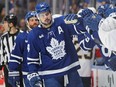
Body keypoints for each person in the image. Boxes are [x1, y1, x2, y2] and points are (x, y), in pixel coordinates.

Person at [27, 2, 84, 87]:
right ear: (38, 17)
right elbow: (32, 59)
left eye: (47, 14)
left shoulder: (62, 22)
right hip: (50, 73)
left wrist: (79, 22)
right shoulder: (34, 35)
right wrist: (33, 73)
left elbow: (81, 30)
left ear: (50, 13)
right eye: (42, 15)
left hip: (70, 68)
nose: (45, 17)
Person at [8, 11, 39, 87]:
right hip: (28, 74)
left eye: (36, 20)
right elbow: (15, 57)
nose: (35, 22)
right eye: (32, 20)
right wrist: (13, 74)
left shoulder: (45, 35)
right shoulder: (22, 37)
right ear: (27, 22)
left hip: (46, 72)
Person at [0, 13, 20, 87]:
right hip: (8, 68)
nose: (3, 25)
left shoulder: (22, 35)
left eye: (5, 23)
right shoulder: (3, 38)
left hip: (21, 68)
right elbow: (1, 53)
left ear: (11, 24)